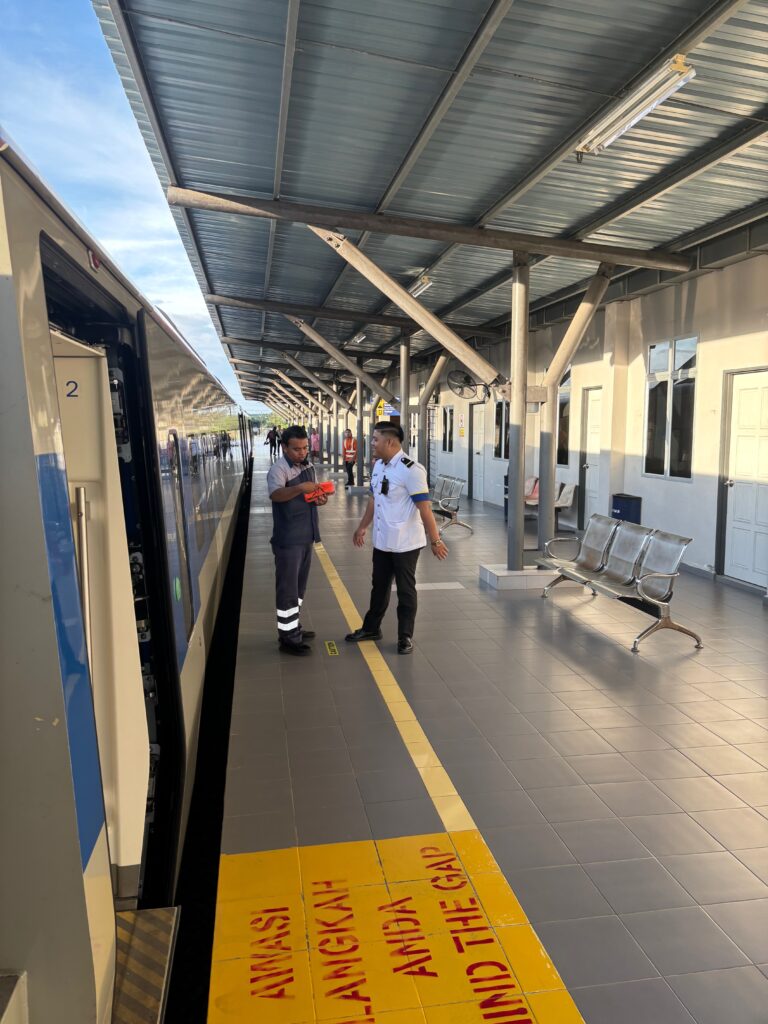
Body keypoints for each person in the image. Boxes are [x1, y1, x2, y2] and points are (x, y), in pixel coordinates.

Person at [346, 422, 447, 655]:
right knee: (378, 587)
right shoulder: (379, 466)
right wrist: (362, 527)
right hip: (382, 540)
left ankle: (405, 637)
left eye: (375, 439)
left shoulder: (411, 469)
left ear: (389, 442)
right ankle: (371, 629)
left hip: (405, 543)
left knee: (405, 590)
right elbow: (374, 499)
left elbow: (424, 508)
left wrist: (435, 540)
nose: (371, 443)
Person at [267, 425, 328, 656]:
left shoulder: (308, 465)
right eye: (296, 449)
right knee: (288, 590)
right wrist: (300, 487)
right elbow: (276, 494)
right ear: (284, 447)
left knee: (299, 588)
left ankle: (295, 626)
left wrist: (318, 498)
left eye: (304, 448)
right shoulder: (279, 469)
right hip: (288, 539)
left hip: (306, 536)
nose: (302, 452)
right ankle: (288, 638)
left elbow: (309, 495)